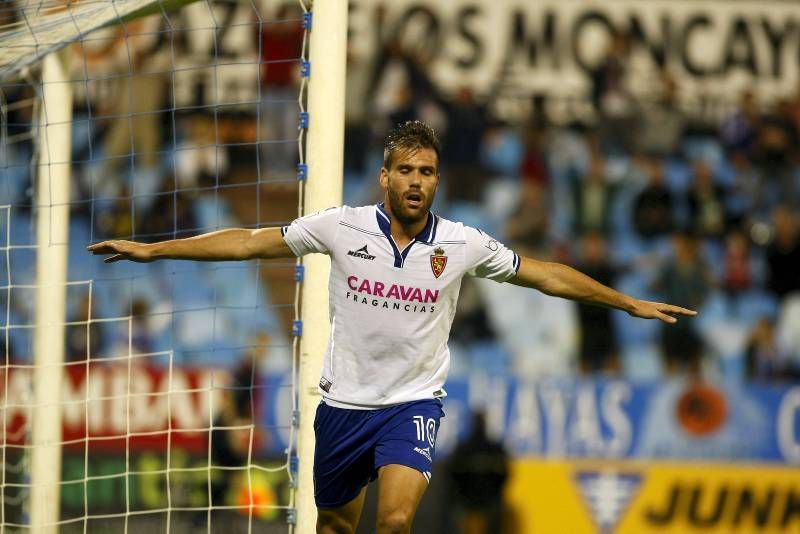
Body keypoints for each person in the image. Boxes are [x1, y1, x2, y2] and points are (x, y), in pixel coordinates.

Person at [87, 120, 696, 534]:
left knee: (397, 522)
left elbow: (546, 275)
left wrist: (627, 303)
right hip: (344, 405)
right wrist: (154, 250)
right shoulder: (341, 227)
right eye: (406, 170)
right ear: (385, 176)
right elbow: (249, 241)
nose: (416, 181)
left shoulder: (462, 243)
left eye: (427, 172)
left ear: (437, 179)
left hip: (412, 403)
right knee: (334, 526)